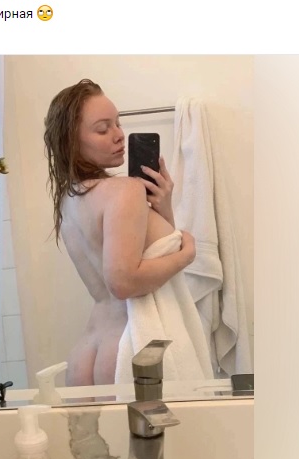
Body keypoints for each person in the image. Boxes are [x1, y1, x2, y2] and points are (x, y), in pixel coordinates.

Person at [44, 79, 212, 386]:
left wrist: (163, 209)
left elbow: (141, 256)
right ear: (72, 142)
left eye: (118, 123)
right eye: (103, 129)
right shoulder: (125, 190)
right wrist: (187, 255)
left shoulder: (70, 199)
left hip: (88, 351)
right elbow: (123, 282)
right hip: (130, 348)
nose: (119, 135)